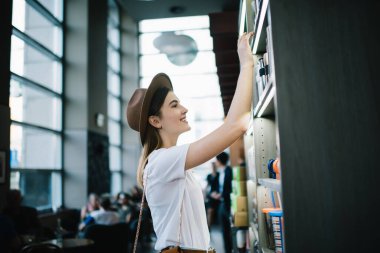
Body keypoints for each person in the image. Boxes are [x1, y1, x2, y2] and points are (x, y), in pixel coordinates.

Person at [126, 32, 253, 252]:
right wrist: (247, 64)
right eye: (174, 105)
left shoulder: (171, 163)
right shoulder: (161, 161)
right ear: (155, 121)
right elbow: (236, 125)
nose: (184, 109)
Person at [214, 152, 233, 253]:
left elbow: (230, 189)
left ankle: (230, 249)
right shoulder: (219, 172)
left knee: (229, 230)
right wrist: (216, 194)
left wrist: (221, 195)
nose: (216, 162)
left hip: (228, 204)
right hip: (221, 204)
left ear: (220, 161)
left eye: (217, 160)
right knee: (224, 230)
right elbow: (219, 187)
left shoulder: (229, 171)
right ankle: (227, 250)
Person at [205, 162, 220, 228]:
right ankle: (208, 227)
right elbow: (207, 187)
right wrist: (208, 194)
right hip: (211, 194)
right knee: (210, 210)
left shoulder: (219, 174)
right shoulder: (209, 176)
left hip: (218, 194)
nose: (213, 168)